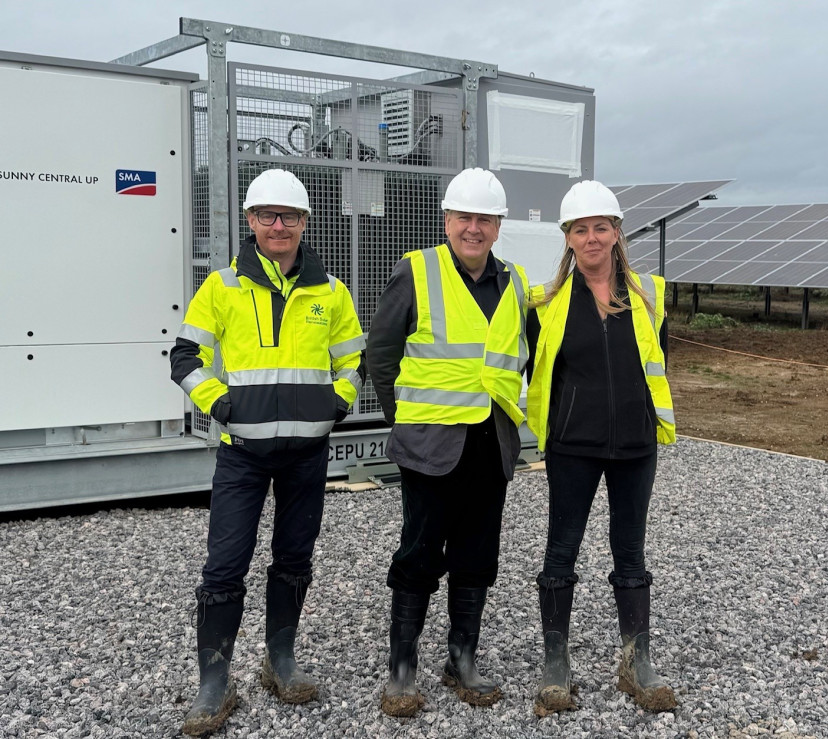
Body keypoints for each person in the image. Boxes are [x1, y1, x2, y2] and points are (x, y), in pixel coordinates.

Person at [169, 169, 365, 736]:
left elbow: (353, 362)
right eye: (268, 216)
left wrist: (338, 403)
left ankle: (280, 661)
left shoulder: (331, 292)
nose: (279, 226)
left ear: (305, 223)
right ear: (250, 221)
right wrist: (220, 404)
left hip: (307, 455)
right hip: (242, 456)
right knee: (225, 566)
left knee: (294, 560)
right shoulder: (222, 286)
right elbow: (185, 357)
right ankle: (214, 681)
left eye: (290, 216)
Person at [367, 167, 529, 717]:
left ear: (499, 225)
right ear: (447, 220)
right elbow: (381, 355)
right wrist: (404, 421)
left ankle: (462, 657)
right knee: (418, 553)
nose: (474, 228)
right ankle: (403, 667)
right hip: (430, 447)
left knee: (478, 554)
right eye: (465, 217)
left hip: (492, 444)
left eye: (485, 218)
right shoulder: (417, 271)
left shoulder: (514, 282)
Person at [526, 180, 677, 715]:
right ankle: (555, 662)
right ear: (567, 239)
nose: (592, 238)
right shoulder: (544, 304)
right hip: (573, 447)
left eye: (601, 228)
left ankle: (637, 662)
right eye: (580, 230)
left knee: (630, 554)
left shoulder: (648, 295)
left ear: (617, 233)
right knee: (560, 552)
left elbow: (658, 366)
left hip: (636, 446)